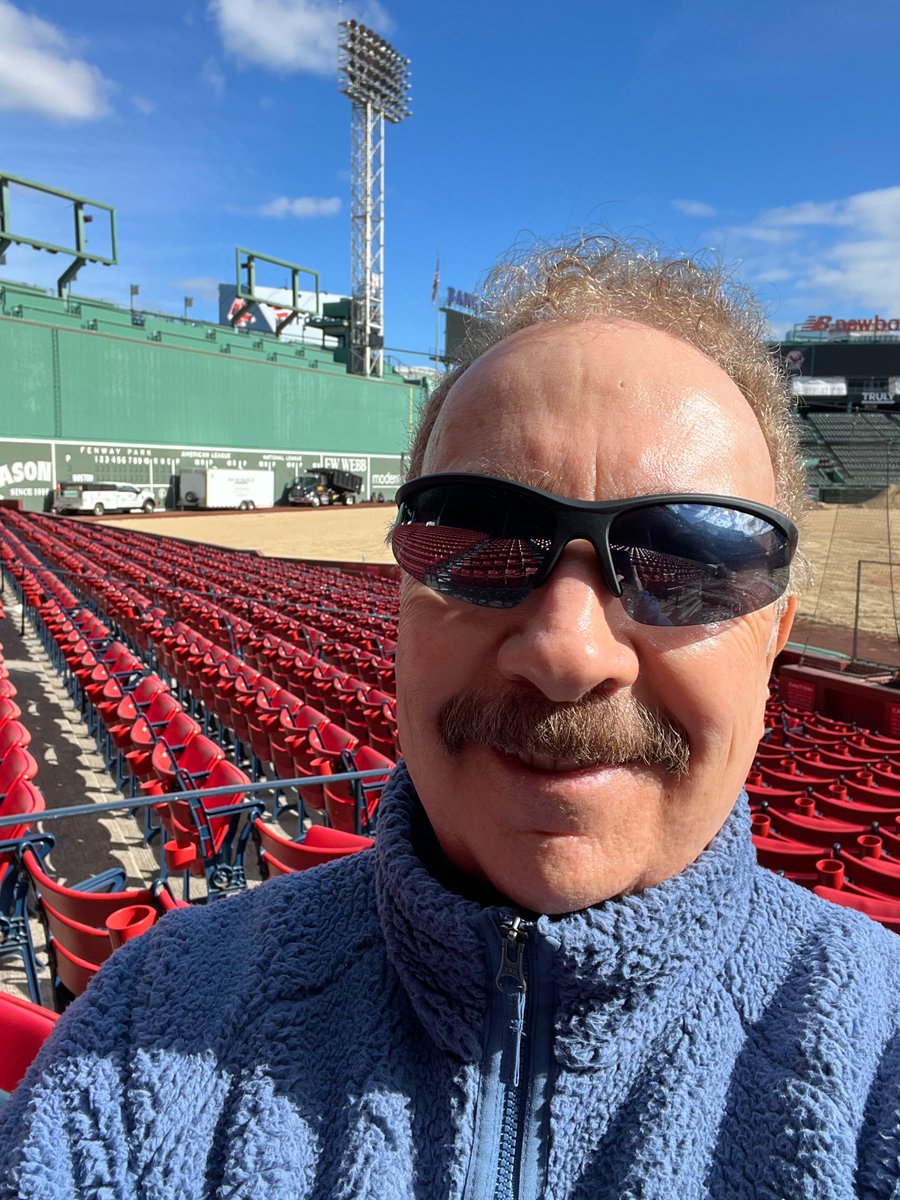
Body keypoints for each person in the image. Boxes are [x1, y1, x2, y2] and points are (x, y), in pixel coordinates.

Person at [1, 237, 899, 1199]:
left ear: (773, 642)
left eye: (690, 561)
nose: (567, 652)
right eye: (480, 538)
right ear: (400, 602)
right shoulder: (145, 1036)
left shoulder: (880, 1060)